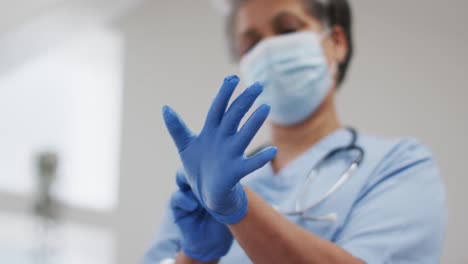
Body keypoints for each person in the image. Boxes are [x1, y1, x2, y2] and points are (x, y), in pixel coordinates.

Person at [143, 0, 447, 263]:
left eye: (288, 30)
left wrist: (241, 212)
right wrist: (196, 255)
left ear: (337, 42)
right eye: (251, 45)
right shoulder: (205, 184)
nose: (269, 51)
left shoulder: (399, 164)